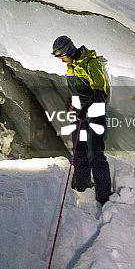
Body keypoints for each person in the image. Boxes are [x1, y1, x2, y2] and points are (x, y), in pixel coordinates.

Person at [52, 35, 112, 206]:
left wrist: (86, 109)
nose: (61, 60)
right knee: (79, 151)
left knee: (95, 154)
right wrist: (70, 103)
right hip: (80, 114)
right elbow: (75, 92)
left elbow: (101, 92)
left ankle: (104, 197)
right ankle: (82, 188)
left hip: (96, 112)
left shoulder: (91, 64)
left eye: (61, 56)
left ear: (69, 50)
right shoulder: (71, 67)